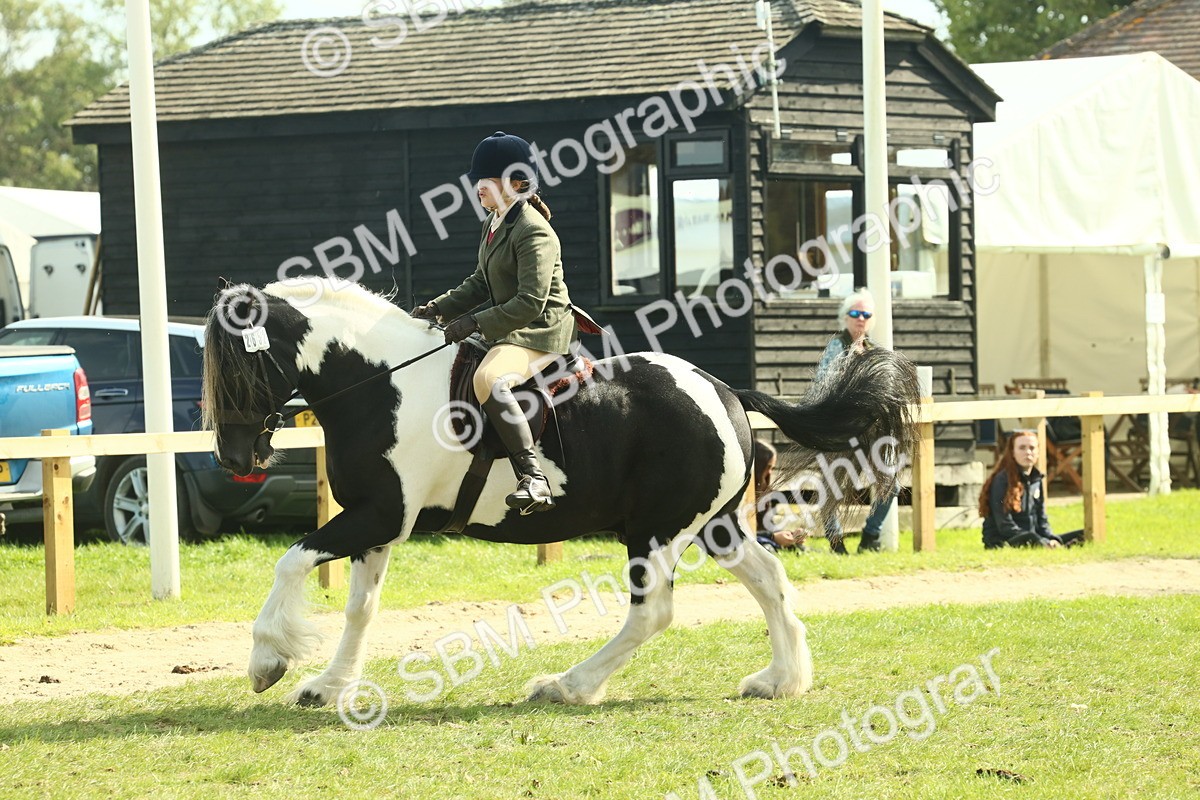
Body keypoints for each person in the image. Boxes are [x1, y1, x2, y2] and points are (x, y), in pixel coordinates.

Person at [412, 131, 576, 514]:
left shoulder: (534, 229)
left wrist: (474, 323)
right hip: (510, 324)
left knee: (488, 379)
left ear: (514, 182)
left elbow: (531, 302)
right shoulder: (494, 223)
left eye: (485, 179)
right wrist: (437, 309)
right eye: (478, 179)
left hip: (540, 329)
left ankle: (534, 478)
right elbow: (480, 283)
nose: (477, 186)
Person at [816, 287, 897, 553]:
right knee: (831, 486)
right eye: (855, 313)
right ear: (845, 317)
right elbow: (824, 384)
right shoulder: (836, 346)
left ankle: (870, 536)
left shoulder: (874, 350)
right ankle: (836, 541)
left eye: (865, 314)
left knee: (890, 484)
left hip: (870, 430)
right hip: (839, 428)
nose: (860, 318)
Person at [979, 430, 1084, 549]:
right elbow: (1004, 525)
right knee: (1031, 537)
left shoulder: (1037, 479)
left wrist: (1050, 538)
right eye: (1022, 448)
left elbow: (1042, 519)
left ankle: (1055, 546)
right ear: (1012, 452)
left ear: (1038, 452)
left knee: (1085, 533)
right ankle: (1056, 548)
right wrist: (1040, 540)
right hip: (1005, 539)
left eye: (1032, 448)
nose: (1028, 452)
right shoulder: (1002, 480)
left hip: (1035, 536)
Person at [752, 440, 810, 553]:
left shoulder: (763, 492)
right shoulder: (742, 494)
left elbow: (767, 524)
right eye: (767, 467)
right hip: (745, 540)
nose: (769, 473)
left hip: (761, 537)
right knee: (767, 549)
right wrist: (773, 537)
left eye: (772, 468)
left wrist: (790, 534)